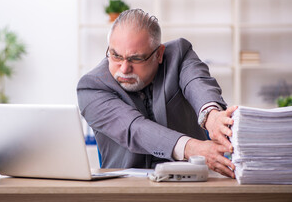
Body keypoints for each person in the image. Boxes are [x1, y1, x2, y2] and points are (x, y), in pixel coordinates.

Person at [77, 9, 237, 178]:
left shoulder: (179, 54)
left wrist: (211, 116)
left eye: (136, 59)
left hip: (191, 183)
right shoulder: (91, 86)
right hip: (127, 188)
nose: (124, 69)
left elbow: (197, 82)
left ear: (159, 54)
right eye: (116, 56)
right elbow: (135, 128)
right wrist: (193, 149)